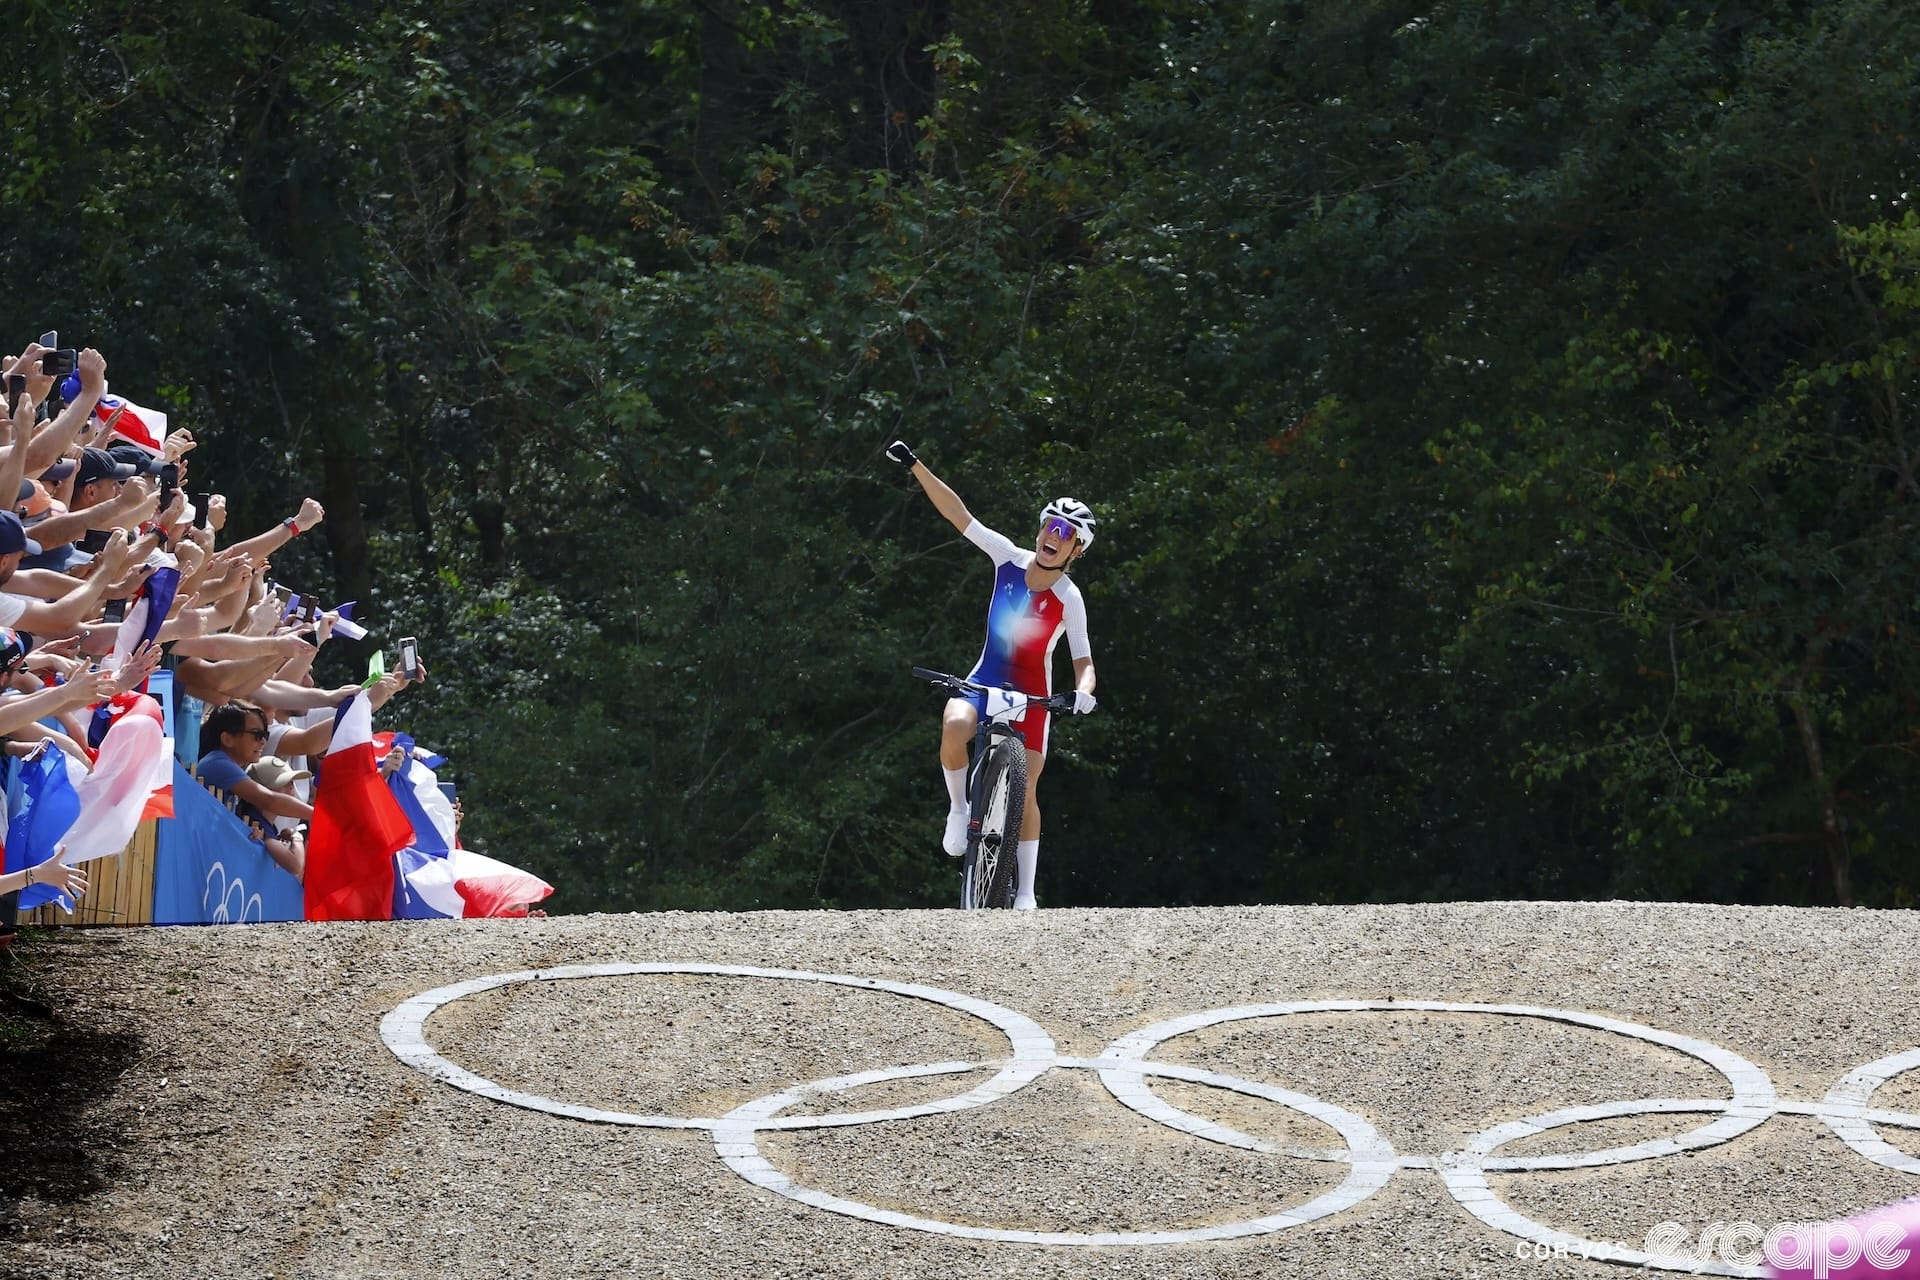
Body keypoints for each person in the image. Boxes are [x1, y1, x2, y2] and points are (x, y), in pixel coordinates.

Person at [885, 439, 1098, 910]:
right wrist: (916, 466)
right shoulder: (1007, 556)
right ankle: (960, 809)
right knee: (955, 725)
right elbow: (957, 515)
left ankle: (1025, 892)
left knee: (1028, 790)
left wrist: (1083, 693)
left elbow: (1083, 661)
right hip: (986, 679)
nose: (1054, 534)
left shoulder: (1069, 597)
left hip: (1033, 697)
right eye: (1052, 524)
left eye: (1067, 532)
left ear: (1075, 548)